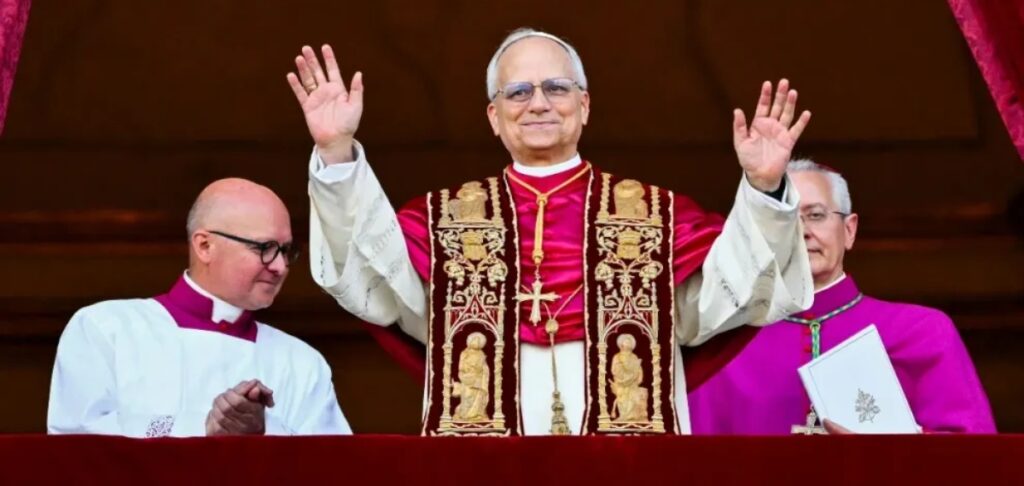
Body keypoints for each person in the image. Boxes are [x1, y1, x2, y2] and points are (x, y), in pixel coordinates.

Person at [289, 28, 814, 435]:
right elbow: (373, 281)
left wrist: (763, 188)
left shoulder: (656, 216)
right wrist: (336, 153)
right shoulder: (443, 220)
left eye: (556, 88)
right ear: (493, 116)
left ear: (584, 106)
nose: (538, 103)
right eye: (518, 91)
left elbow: (727, 298)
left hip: (626, 464)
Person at [687, 159, 997, 434]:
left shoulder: (921, 331)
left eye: (816, 215)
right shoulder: (723, 347)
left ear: (849, 230)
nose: (802, 231)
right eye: (785, 219)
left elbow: (977, 457)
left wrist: (893, 451)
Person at [48, 178, 352, 437]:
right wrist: (201, 427)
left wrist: (262, 432)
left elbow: (332, 466)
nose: (280, 266)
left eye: (286, 251)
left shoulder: (302, 362)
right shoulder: (105, 329)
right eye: (265, 248)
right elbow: (77, 442)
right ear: (205, 246)